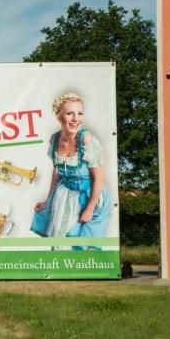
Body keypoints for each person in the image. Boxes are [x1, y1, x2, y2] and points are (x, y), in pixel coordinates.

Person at [30, 92, 113, 249]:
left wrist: (89, 209)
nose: (76, 119)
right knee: (61, 243)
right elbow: (56, 173)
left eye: (80, 113)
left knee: (84, 246)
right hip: (66, 195)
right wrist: (48, 201)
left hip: (92, 197)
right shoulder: (54, 140)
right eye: (70, 113)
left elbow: (99, 179)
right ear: (58, 116)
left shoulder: (86, 140)